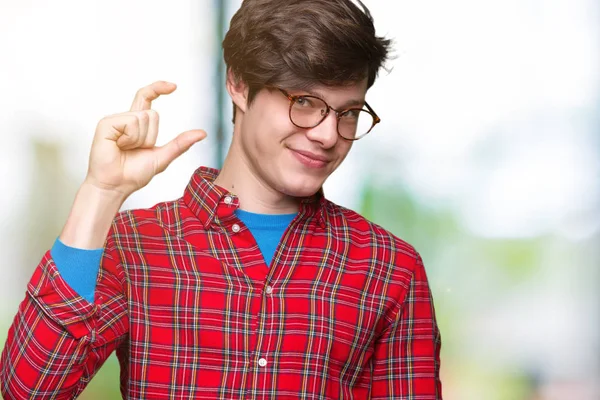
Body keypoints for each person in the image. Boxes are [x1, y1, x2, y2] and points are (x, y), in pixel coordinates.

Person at [0, 0, 442, 398]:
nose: (328, 134)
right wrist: (101, 192)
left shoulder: (389, 268)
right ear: (239, 84)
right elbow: (28, 391)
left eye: (348, 112)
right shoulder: (135, 245)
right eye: (304, 102)